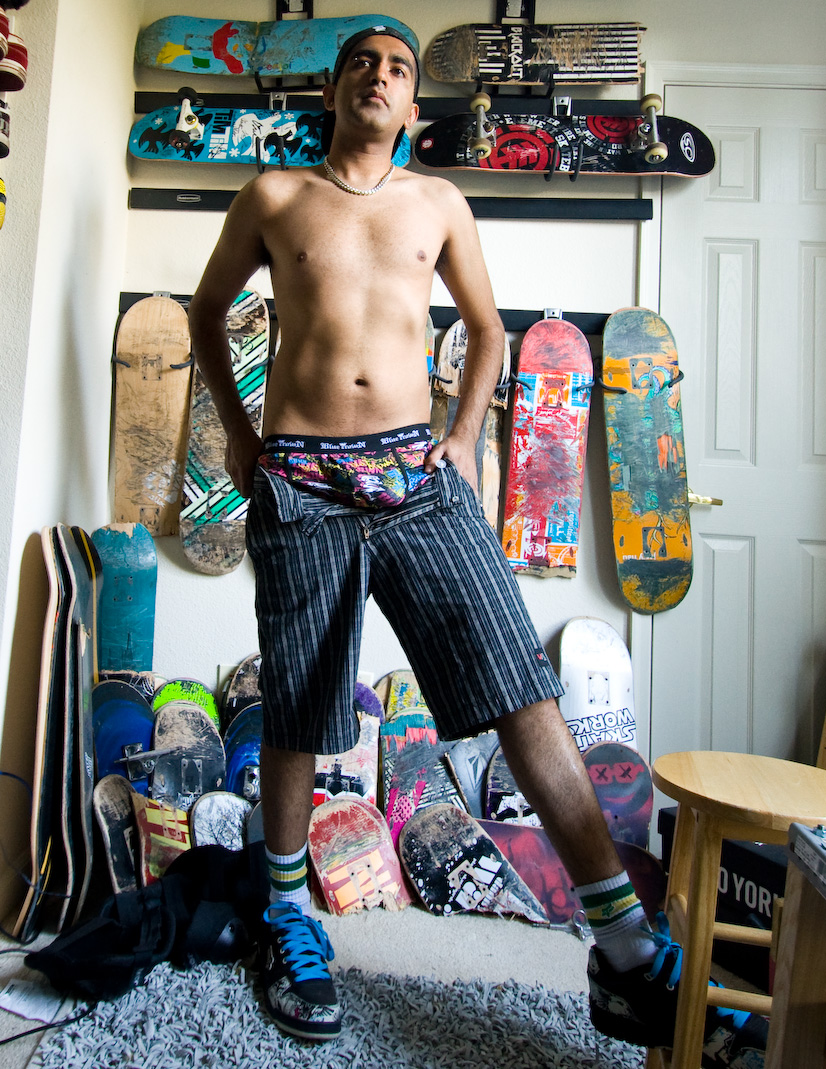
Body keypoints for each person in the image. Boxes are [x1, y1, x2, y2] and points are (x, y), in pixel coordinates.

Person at [188, 26, 767, 1064]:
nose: (379, 76)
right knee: (301, 703)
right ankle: (285, 915)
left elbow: (489, 330)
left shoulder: (439, 203)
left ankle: (626, 950)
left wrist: (462, 438)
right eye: (361, 62)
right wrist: (238, 433)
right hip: (301, 479)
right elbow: (205, 313)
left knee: (520, 688)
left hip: (418, 479)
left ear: (414, 106)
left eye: (398, 68)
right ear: (333, 89)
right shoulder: (274, 196)